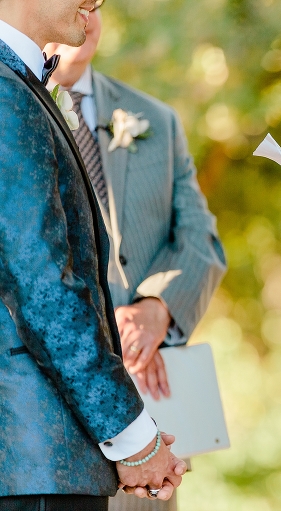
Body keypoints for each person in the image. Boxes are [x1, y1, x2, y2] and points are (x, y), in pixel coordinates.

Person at [0, 1, 187, 510]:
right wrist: (133, 439)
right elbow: (41, 288)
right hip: (30, 462)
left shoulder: (18, 84)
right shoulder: (4, 93)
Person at [44, 6, 228, 511]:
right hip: (44, 413)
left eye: (94, 6)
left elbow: (201, 239)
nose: (86, 15)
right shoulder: (13, 104)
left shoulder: (157, 120)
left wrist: (156, 306)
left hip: (150, 408)